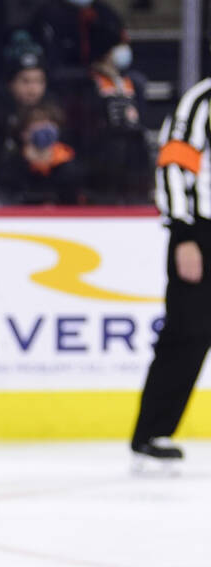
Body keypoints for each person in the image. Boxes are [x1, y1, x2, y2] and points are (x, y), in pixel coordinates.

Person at [131, 77, 211, 466]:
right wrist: (184, 234)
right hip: (202, 231)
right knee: (187, 335)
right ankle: (152, 433)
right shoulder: (202, 100)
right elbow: (174, 166)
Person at [69, 14, 151, 204]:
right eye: (119, 47)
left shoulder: (133, 82)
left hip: (132, 161)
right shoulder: (86, 84)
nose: (125, 51)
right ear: (106, 52)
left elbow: (139, 119)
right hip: (101, 164)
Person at [0, 31, 52, 181]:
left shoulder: (54, 113)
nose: (33, 89)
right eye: (25, 81)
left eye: (38, 81)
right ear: (11, 83)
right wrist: (22, 155)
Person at [0, 103, 82, 206]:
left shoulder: (69, 167)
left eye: (51, 122)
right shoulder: (11, 166)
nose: (45, 127)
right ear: (24, 132)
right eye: (38, 122)